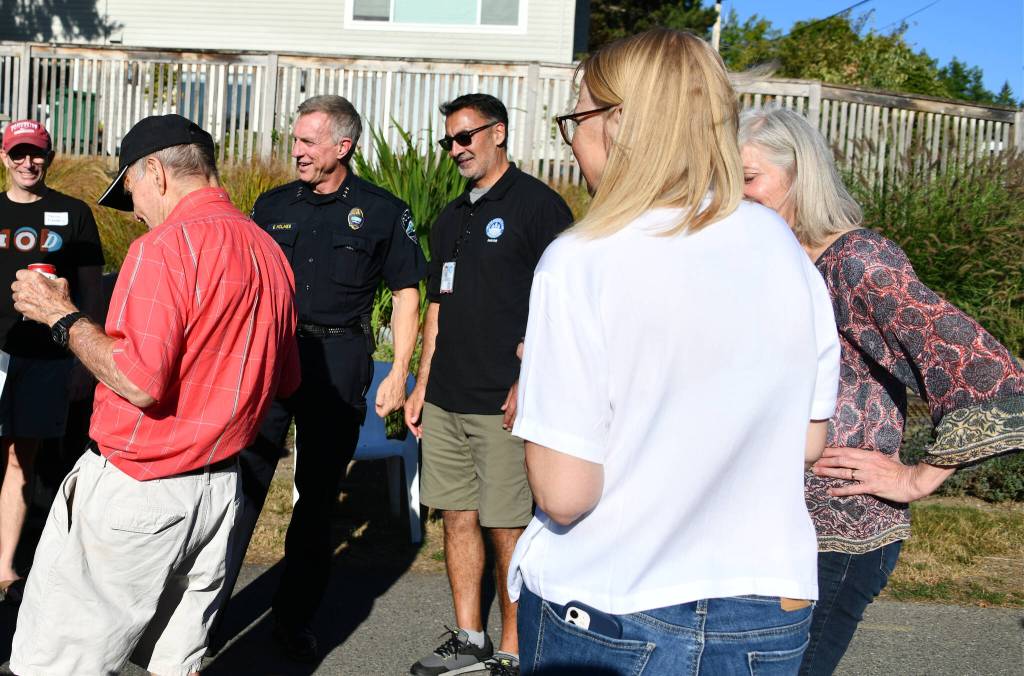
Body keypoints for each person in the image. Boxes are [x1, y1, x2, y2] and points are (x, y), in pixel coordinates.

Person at [507, 29, 842, 675]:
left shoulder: (582, 260)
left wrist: (541, 403)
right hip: (765, 606)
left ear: (619, 125)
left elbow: (565, 492)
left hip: (613, 602)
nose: (572, 139)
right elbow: (806, 441)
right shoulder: (780, 246)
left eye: (576, 118)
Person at [7, 113, 299, 676]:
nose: (136, 210)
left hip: (141, 485)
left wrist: (60, 316)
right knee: (174, 664)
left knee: (57, 664)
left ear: (157, 173)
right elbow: (284, 382)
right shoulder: (269, 253)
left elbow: (139, 381)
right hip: (218, 491)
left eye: (133, 191)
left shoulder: (164, 247)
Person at [738, 105, 1024, 676]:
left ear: (802, 175)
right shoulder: (767, 260)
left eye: (749, 179)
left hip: (841, 531)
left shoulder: (857, 261)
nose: (737, 196)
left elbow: (990, 376)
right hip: (766, 525)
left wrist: (916, 477)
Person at [216, 94, 426, 663]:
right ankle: (209, 612)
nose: (297, 151)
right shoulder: (273, 204)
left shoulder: (383, 211)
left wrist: (400, 372)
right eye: (296, 140)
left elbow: (407, 293)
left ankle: (292, 618)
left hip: (339, 359)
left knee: (314, 498)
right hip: (276, 353)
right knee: (244, 482)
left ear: (343, 146)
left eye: (308, 142)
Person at [404, 93, 573, 676]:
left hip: (502, 401)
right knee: (456, 517)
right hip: (447, 398)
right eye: (449, 140)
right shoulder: (452, 216)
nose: (457, 149)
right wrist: (422, 382)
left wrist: (531, 378)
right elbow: (436, 305)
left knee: (507, 527)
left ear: (498, 133)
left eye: (467, 136)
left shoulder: (539, 208)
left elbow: (561, 306)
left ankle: (513, 648)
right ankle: (470, 639)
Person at [0, 120, 104, 603]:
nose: (28, 162)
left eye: (36, 154)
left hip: (46, 355)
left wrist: (86, 360)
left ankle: (6, 569)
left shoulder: (74, 212)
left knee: (27, 459)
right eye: (18, 153)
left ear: (51, 157)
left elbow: (91, 292)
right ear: (4, 157)